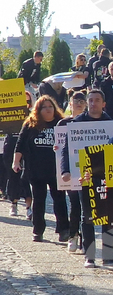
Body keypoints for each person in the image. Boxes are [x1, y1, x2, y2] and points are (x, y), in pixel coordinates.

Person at [67, 89, 113, 268]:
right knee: (87, 216)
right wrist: (66, 170)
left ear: (104, 104)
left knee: (108, 215)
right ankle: (89, 256)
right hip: (85, 176)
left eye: (97, 100)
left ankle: (108, 256)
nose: (93, 103)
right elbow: (67, 149)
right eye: (91, 100)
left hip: (106, 177)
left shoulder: (111, 123)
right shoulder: (77, 123)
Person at [12, 95, 68, 243]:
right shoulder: (30, 124)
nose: (48, 110)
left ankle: (63, 229)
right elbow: (20, 144)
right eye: (44, 107)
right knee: (39, 200)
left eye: (50, 106)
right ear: (38, 110)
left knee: (60, 200)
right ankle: (38, 230)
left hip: (56, 169)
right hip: (36, 169)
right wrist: (16, 162)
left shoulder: (61, 123)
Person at [55, 91, 88, 252]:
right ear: (70, 103)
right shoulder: (63, 123)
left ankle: (86, 239)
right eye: (76, 101)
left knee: (87, 206)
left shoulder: (91, 121)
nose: (79, 104)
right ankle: (73, 235)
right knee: (75, 204)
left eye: (82, 101)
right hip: (72, 169)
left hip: (88, 170)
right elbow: (59, 147)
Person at [3, 94, 32, 217]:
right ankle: (13, 203)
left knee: (26, 176)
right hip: (11, 145)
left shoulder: (33, 115)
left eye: (27, 101)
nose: (25, 104)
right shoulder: (9, 114)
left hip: (27, 147)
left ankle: (29, 206)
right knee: (13, 175)